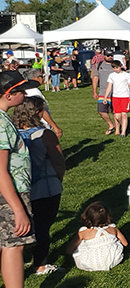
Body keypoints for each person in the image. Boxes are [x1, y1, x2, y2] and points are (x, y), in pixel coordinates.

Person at [13, 97, 64, 275]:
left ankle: (16, 260)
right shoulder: (45, 134)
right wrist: (59, 179)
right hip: (45, 187)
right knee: (43, 226)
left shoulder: (11, 133)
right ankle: (40, 264)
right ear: (36, 113)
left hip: (17, 187)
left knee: (19, 227)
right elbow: (58, 161)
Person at [0, 71, 37, 288]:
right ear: (9, 95)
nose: (24, 95)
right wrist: (18, 209)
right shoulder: (2, 125)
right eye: (21, 91)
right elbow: (0, 170)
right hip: (9, 192)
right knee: (14, 245)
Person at [67, 202, 127, 272]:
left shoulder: (83, 232)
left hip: (90, 262)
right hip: (113, 259)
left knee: (82, 243)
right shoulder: (113, 229)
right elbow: (125, 243)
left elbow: (69, 250)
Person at [102, 60, 130, 137]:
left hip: (125, 97)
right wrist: (105, 97)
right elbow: (109, 86)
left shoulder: (126, 75)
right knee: (117, 116)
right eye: (114, 68)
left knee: (124, 114)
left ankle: (123, 132)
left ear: (120, 66)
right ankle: (124, 126)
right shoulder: (112, 75)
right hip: (115, 97)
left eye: (117, 68)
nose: (116, 69)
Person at [21, 69, 62, 138]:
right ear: (34, 78)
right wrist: (55, 126)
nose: (43, 78)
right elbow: (41, 110)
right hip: (39, 125)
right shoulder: (34, 91)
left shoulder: (26, 90)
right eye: (41, 76)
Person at [92, 49, 117, 136]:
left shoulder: (116, 65)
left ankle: (117, 128)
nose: (110, 57)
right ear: (104, 56)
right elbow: (95, 78)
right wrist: (94, 91)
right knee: (101, 110)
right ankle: (111, 125)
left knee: (115, 112)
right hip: (103, 92)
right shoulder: (99, 65)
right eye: (108, 55)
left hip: (115, 92)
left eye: (111, 55)